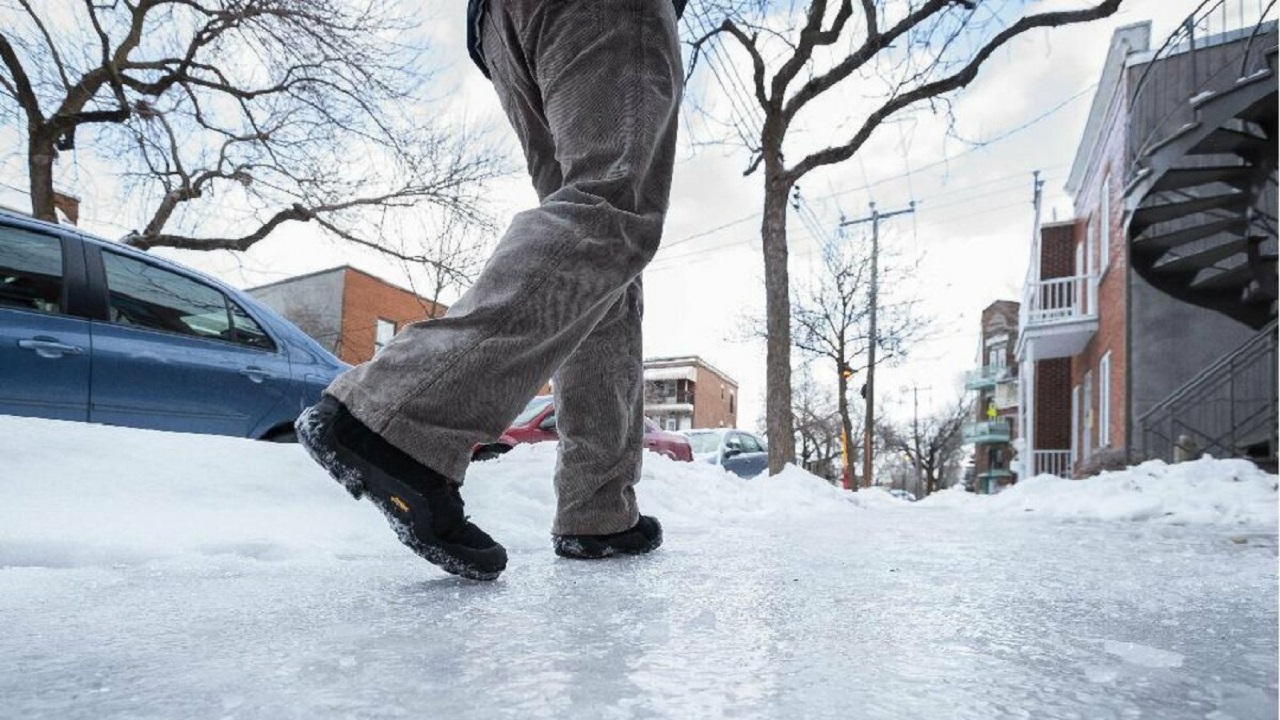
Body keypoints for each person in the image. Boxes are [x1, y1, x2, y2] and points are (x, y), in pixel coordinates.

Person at [295, 0, 685, 581]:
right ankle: (398, 420)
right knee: (611, 208)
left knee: (599, 253)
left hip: (501, 27)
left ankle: (598, 510)